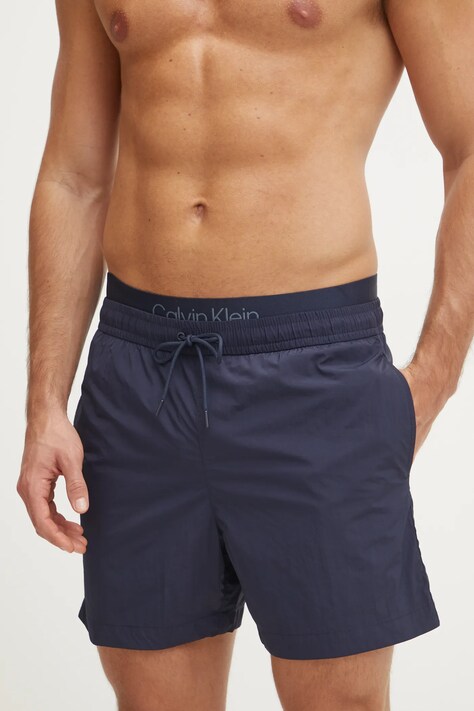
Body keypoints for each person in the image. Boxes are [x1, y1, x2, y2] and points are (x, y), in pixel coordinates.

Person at [17, 1, 473, 709]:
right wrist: (44, 402)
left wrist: (432, 381)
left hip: (316, 368)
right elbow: (74, 176)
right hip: (139, 375)